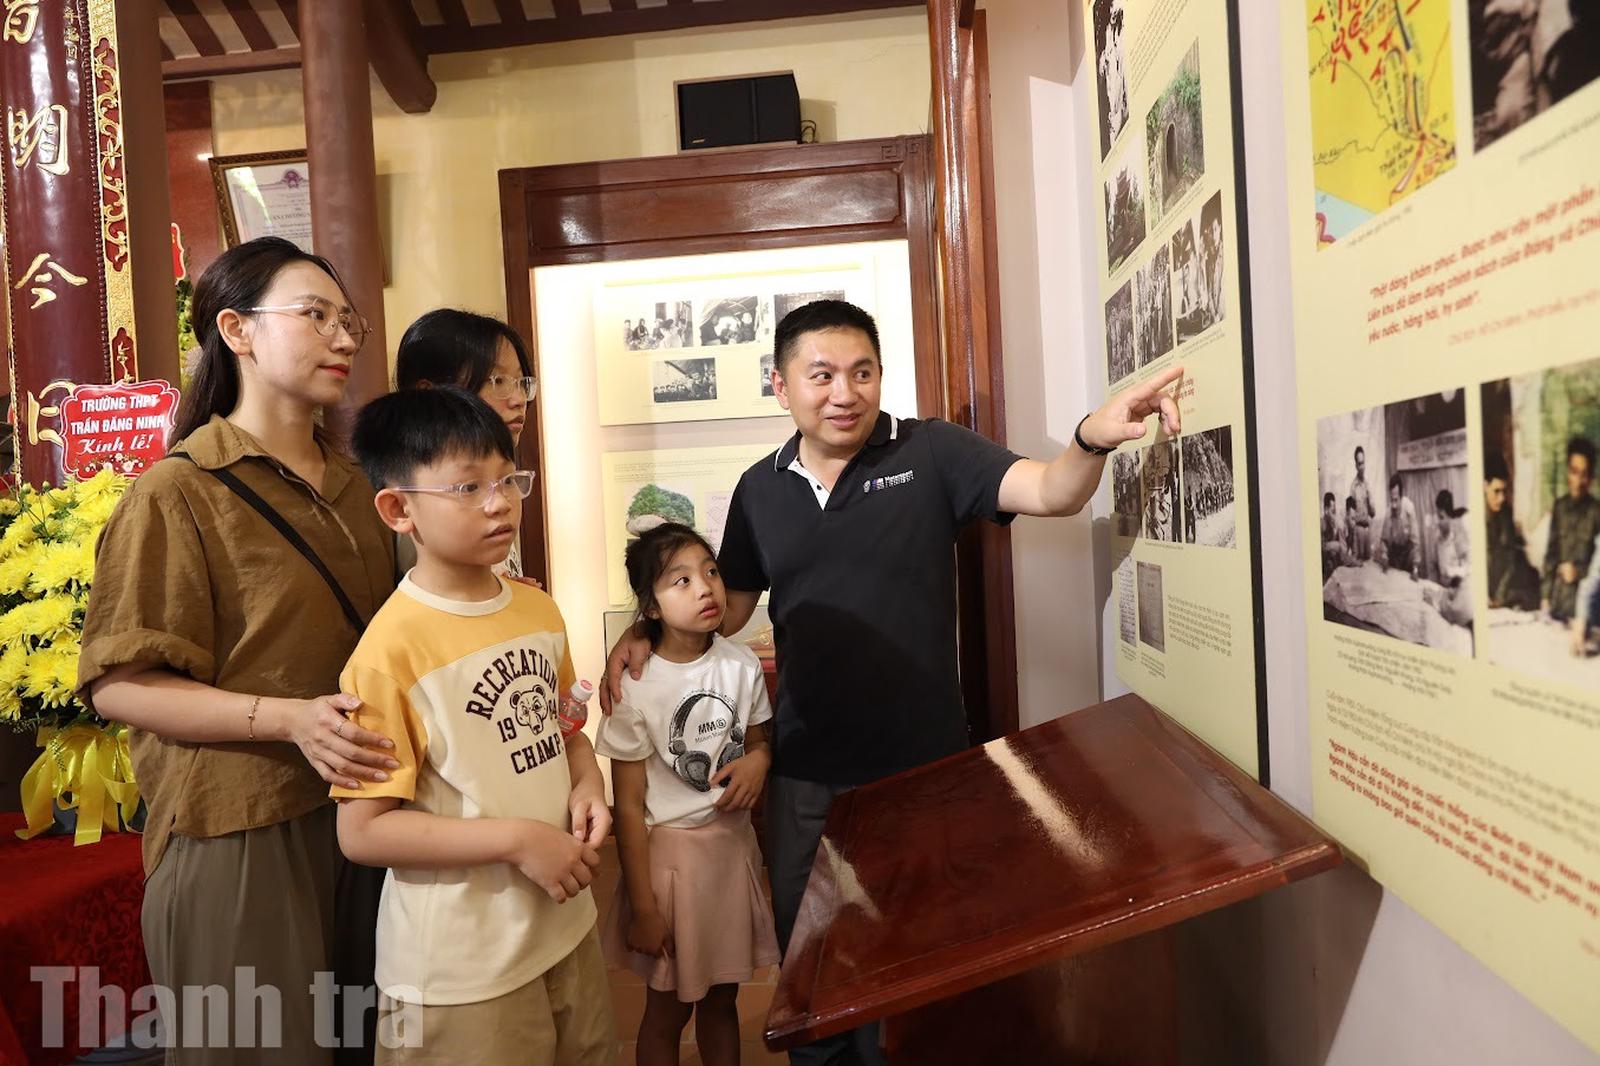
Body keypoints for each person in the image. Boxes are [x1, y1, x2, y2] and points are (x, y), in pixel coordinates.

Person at [605, 299, 1182, 1065]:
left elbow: (1052, 491)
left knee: (914, 970)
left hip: (923, 773)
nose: (844, 393)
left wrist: (1090, 438)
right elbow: (727, 610)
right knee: (812, 971)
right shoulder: (759, 489)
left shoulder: (931, 451)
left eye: (862, 372)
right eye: (821, 375)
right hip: (807, 774)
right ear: (781, 385)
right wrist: (642, 632)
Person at [79, 237, 396, 1063]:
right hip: (240, 828)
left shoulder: (357, 486)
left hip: (364, 816)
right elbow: (119, 684)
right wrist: (288, 719)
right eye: (315, 315)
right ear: (237, 329)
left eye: (348, 320)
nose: (343, 337)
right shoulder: (177, 491)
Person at [331, 387, 613, 1064]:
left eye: (507, 480)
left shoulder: (536, 609)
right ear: (399, 510)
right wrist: (519, 840)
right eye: (467, 487)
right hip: (461, 969)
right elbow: (363, 832)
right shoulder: (388, 653)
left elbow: (563, 731)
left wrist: (588, 783)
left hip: (564, 926)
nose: (500, 503)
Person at [596, 523, 780, 1066]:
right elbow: (629, 808)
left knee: (723, 1001)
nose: (704, 588)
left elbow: (758, 740)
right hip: (671, 866)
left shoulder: (741, 664)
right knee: (668, 1010)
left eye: (711, 572)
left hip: (732, 853)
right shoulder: (635, 683)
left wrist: (760, 761)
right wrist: (643, 907)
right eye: (681, 580)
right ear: (650, 608)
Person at [394, 309, 538, 577]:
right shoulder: (420, 494)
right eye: (498, 381)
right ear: (428, 394)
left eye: (521, 382)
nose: (519, 399)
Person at [1544, 436, 1600, 621]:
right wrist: (1545, 597)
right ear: (1567, 472)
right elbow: (1551, 556)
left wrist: (1579, 573)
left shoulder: (1597, 511)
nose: (1578, 480)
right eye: (1574, 472)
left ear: (1590, 478)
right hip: (1559, 604)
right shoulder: (1559, 507)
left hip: (1588, 610)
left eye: (1584, 474)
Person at [1483, 456, 1540, 610]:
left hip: (1503, 592)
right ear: (1484, 486)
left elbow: (1510, 559)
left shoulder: (1506, 513)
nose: (1501, 498)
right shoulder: (1475, 516)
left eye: (1504, 491)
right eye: (1496, 491)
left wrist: (1500, 596)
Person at [1433, 489, 1472, 627]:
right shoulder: (1437, 540)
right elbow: (1436, 567)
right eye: (1437, 516)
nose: (1438, 522)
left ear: (1450, 517)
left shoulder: (1458, 538)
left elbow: (1466, 570)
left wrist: (1453, 576)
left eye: (1441, 517)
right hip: (1442, 589)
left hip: (1457, 591)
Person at [1378, 475, 1420, 578]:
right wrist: (1384, 555)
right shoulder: (1388, 512)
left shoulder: (1409, 509)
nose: (1393, 505)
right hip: (1395, 554)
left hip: (1407, 553)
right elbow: (1383, 540)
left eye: (1396, 500)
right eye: (1391, 500)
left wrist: (1415, 567)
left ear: (1401, 497)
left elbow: (1415, 542)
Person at [1348, 446, 1376, 561]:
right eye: (1359, 464)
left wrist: (1370, 498)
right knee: (1359, 564)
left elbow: (1373, 513)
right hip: (1358, 531)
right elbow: (1351, 517)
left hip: (1368, 531)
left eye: (1363, 463)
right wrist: (1353, 541)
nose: (1362, 467)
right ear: (1356, 465)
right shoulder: (1353, 487)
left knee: (1369, 562)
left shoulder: (1368, 485)